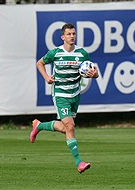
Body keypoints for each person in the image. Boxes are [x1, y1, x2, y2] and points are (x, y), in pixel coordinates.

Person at [30, 23, 98, 174]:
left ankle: (39, 126)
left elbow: (93, 71)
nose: (72, 36)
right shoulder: (55, 53)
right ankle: (79, 162)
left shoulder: (82, 54)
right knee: (71, 126)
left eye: (73, 33)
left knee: (67, 127)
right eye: (68, 34)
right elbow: (40, 63)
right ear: (63, 37)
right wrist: (47, 77)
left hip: (75, 94)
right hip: (60, 94)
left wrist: (95, 74)